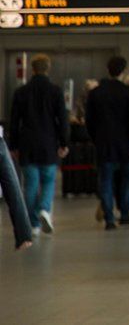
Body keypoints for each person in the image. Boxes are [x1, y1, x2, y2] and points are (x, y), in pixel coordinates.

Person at [8, 54, 69, 236]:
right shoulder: (56, 91)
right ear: (47, 69)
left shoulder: (21, 92)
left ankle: (33, 225)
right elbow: (62, 119)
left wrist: (14, 146)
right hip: (49, 142)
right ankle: (44, 209)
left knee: (30, 184)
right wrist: (64, 142)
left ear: (32, 69)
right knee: (49, 180)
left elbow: (14, 121)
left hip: (27, 144)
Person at [85, 56, 129, 230]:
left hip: (104, 143)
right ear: (123, 71)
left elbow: (90, 120)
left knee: (106, 180)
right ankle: (124, 214)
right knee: (126, 179)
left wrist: (95, 138)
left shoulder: (96, 93)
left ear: (108, 70)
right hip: (125, 144)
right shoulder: (128, 92)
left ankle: (109, 218)